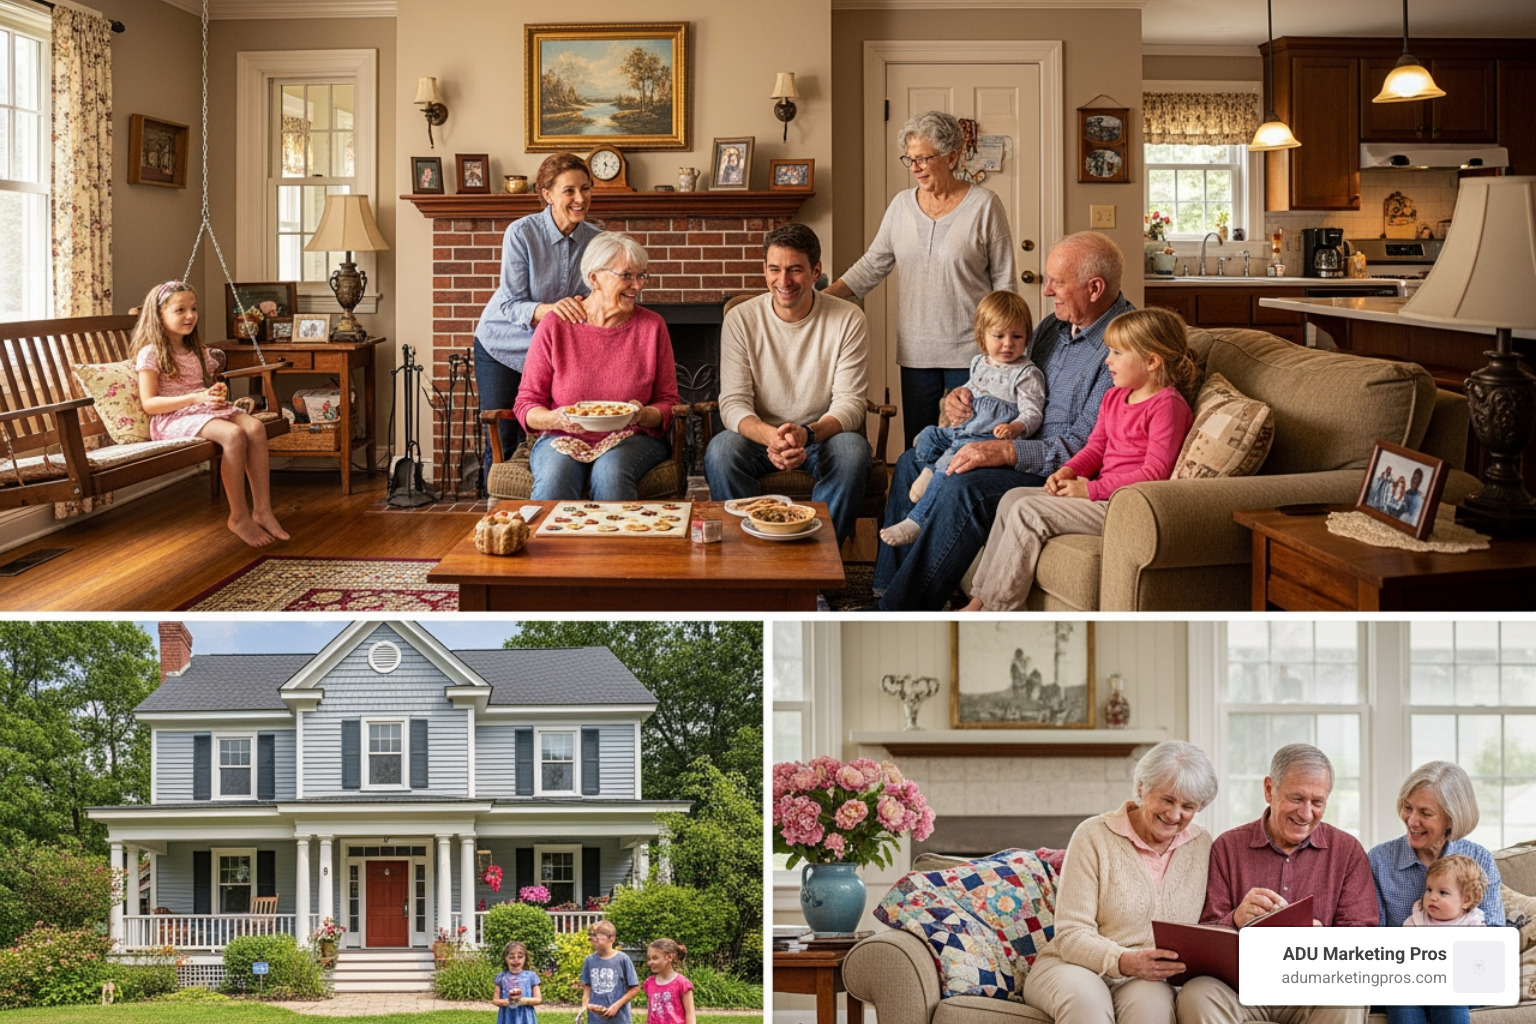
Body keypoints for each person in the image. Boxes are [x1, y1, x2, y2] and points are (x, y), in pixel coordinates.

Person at [872, 231, 1132, 610]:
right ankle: (886, 588)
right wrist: (962, 400)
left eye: (1058, 282)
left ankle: (898, 613)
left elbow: (1083, 445)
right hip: (1015, 441)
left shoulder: (1122, 346)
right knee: (913, 461)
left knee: (966, 485)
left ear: (1094, 288)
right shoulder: (1052, 329)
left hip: (1056, 469)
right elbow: (1008, 381)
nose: (1047, 291)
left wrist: (1005, 451)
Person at [960, 307, 1196, 611]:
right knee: (1012, 498)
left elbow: (1155, 473)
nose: (1107, 360)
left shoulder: (1167, 407)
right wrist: (1069, 470)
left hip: (1123, 507)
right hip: (1100, 494)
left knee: (1029, 511)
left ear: (1151, 361)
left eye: (1117, 353)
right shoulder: (1114, 396)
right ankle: (980, 599)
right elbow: (1096, 448)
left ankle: (998, 610)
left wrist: (1090, 490)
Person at [826, 110, 1016, 449]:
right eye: (910, 159)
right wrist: (822, 299)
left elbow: (1005, 285)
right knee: (920, 445)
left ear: (952, 157)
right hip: (916, 352)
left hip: (972, 353)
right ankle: (915, 504)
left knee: (969, 443)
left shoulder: (985, 205)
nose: (915, 167)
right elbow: (873, 264)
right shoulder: (901, 205)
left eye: (924, 158)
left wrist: (1004, 348)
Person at [1175, 744, 1377, 1024]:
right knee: (1197, 994)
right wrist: (1236, 919)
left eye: (1317, 802)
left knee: (1350, 993)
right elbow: (1205, 936)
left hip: (1313, 990)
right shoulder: (1227, 847)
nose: (1306, 814)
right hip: (1241, 991)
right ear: (1269, 790)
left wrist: (1325, 939)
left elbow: (1363, 936)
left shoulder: (1347, 851)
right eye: (1296, 798)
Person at [1022, 741, 1218, 1024]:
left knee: (1153, 1010)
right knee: (1087, 1004)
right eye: (1167, 800)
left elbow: (1213, 922)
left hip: (1149, 977)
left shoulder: (1202, 846)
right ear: (1141, 789)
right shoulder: (1093, 835)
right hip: (1074, 965)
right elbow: (1071, 933)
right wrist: (1124, 961)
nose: (1175, 815)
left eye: (1188, 806)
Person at [704, 223, 872, 545]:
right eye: (775, 269)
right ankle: (754, 560)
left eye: (795, 270)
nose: (783, 281)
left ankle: (816, 567)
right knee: (720, 451)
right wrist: (772, 438)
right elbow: (733, 403)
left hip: (821, 435)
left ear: (816, 271)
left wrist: (806, 434)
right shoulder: (741, 319)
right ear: (764, 271)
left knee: (853, 453)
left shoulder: (848, 319)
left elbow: (850, 403)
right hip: (761, 437)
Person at [512, 232, 680, 500]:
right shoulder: (556, 325)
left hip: (632, 437)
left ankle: (611, 544)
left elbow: (668, 402)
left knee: (610, 473)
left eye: (641, 276)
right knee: (556, 478)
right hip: (562, 435)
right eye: (626, 275)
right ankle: (549, 544)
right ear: (594, 278)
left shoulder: (652, 326)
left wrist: (641, 414)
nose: (637, 285)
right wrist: (556, 419)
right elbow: (527, 403)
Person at [881, 290, 1046, 547]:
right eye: (999, 336)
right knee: (926, 436)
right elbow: (971, 388)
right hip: (964, 429)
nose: (1008, 344)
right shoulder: (980, 363)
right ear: (982, 335)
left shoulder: (1026, 374)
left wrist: (1015, 427)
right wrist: (961, 394)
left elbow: (1033, 412)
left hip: (985, 437)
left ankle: (916, 520)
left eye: (1017, 336)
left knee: (950, 461)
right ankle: (928, 467)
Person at [133, 280, 288, 548]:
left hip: (200, 410)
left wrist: (213, 393)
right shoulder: (151, 353)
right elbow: (149, 404)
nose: (190, 315)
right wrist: (197, 397)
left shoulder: (195, 350)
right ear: (159, 315)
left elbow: (201, 388)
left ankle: (262, 510)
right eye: (180, 310)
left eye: (193, 308)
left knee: (256, 429)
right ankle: (238, 516)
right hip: (172, 417)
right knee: (234, 435)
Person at [475, 152, 601, 476]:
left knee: (551, 432)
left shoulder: (597, 239)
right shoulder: (521, 233)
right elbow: (511, 302)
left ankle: (543, 511)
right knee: (503, 436)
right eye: (569, 190)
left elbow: (599, 298)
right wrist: (552, 309)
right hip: (503, 345)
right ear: (547, 194)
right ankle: (498, 515)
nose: (580, 198)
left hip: (553, 350)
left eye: (585, 189)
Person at [1368, 761, 1504, 931]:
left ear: (1451, 819)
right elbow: (1371, 937)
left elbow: (1495, 939)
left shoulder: (1480, 860)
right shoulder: (1379, 860)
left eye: (1425, 813)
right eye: (1408, 807)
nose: (1411, 821)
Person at [1386, 855, 1490, 1024]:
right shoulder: (1416, 922)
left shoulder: (1473, 925)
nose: (1432, 897)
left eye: (1443, 893)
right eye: (1429, 890)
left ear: (1466, 900)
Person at [581, 920, 640, 1024]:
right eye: (591, 936)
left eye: (596, 936)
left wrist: (616, 1006)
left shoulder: (623, 959)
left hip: (619, 1019)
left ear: (611, 938)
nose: (592, 939)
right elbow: (587, 988)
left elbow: (634, 988)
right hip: (595, 1020)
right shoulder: (589, 960)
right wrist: (584, 1008)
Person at [642, 938, 696, 1024]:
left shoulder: (682, 983)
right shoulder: (649, 983)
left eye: (655, 958)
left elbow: (690, 1014)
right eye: (649, 959)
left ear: (669, 957)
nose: (650, 962)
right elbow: (650, 1012)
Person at [492, 940, 541, 1024]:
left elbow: (538, 999)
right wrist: (508, 1001)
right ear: (505, 958)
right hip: (507, 1017)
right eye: (511, 957)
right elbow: (495, 1000)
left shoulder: (531, 976)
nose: (516, 960)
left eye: (520, 957)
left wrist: (521, 1000)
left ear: (525, 958)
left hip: (525, 1017)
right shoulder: (501, 977)